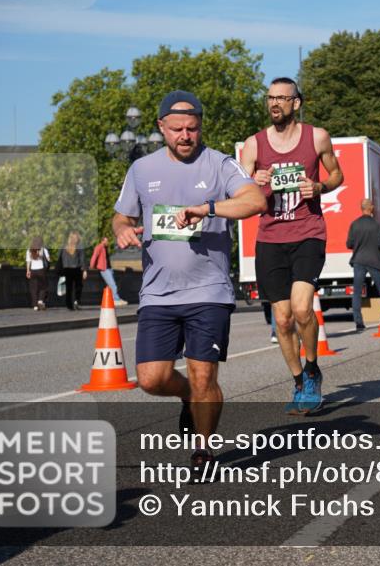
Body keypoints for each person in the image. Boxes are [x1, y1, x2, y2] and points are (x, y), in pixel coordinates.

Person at [113, 90, 265, 472]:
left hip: (208, 291)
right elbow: (122, 217)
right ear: (161, 127)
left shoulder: (220, 165)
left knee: (203, 373)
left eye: (192, 129)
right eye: (177, 129)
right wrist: (122, 231)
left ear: (200, 128)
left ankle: (204, 451)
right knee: (151, 378)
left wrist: (207, 208)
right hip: (157, 293)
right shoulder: (142, 170)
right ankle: (187, 398)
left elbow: (255, 201)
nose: (185, 136)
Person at [240, 77, 343, 415]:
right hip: (269, 238)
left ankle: (312, 370)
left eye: (283, 98)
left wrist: (320, 187)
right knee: (282, 319)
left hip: (308, 233)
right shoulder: (254, 145)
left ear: (296, 103)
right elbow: (239, 188)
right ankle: (298, 380)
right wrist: (252, 181)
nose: (275, 104)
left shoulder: (317, 137)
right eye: (271, 98)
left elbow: (337, 175)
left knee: (301, 308)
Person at [347, 198, 380, 330]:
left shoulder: (354, 224)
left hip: (358, 260)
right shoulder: (376, 225)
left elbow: (349, 244)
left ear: (361, 208)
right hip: (375, 260)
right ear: (371, 208)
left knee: (357, 292)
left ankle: (358, 322)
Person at [90, 237, 128, 307]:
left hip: (109, 269)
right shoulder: (99, 247)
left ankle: (115, 298)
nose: (107, 242)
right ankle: (116, 299)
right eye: (106, 241)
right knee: (112, 285)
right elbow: (94, 256)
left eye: (108, 241)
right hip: (104, 269)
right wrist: (92, 266)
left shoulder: (105, 248)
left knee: (111, 285)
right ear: (102, 241)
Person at [58, 231, 87, 311]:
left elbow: (59, 257)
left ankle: (69, 305)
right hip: (76, 269)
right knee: (78, 286)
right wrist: (84, 270)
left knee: (68, 288)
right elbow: (82, 258)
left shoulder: (64, 246)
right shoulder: (79, 246)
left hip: (66, 269)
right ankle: (76, 301)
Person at [25, 236, 50, 310]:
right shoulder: (43, 250)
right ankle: (40, 300)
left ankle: (35, 305)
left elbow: (28, 261)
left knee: (33, 288)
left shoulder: (29, 250)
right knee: (43, 286)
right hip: (41, 270)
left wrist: (28, 271)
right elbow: (48, 259)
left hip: (33, 270)